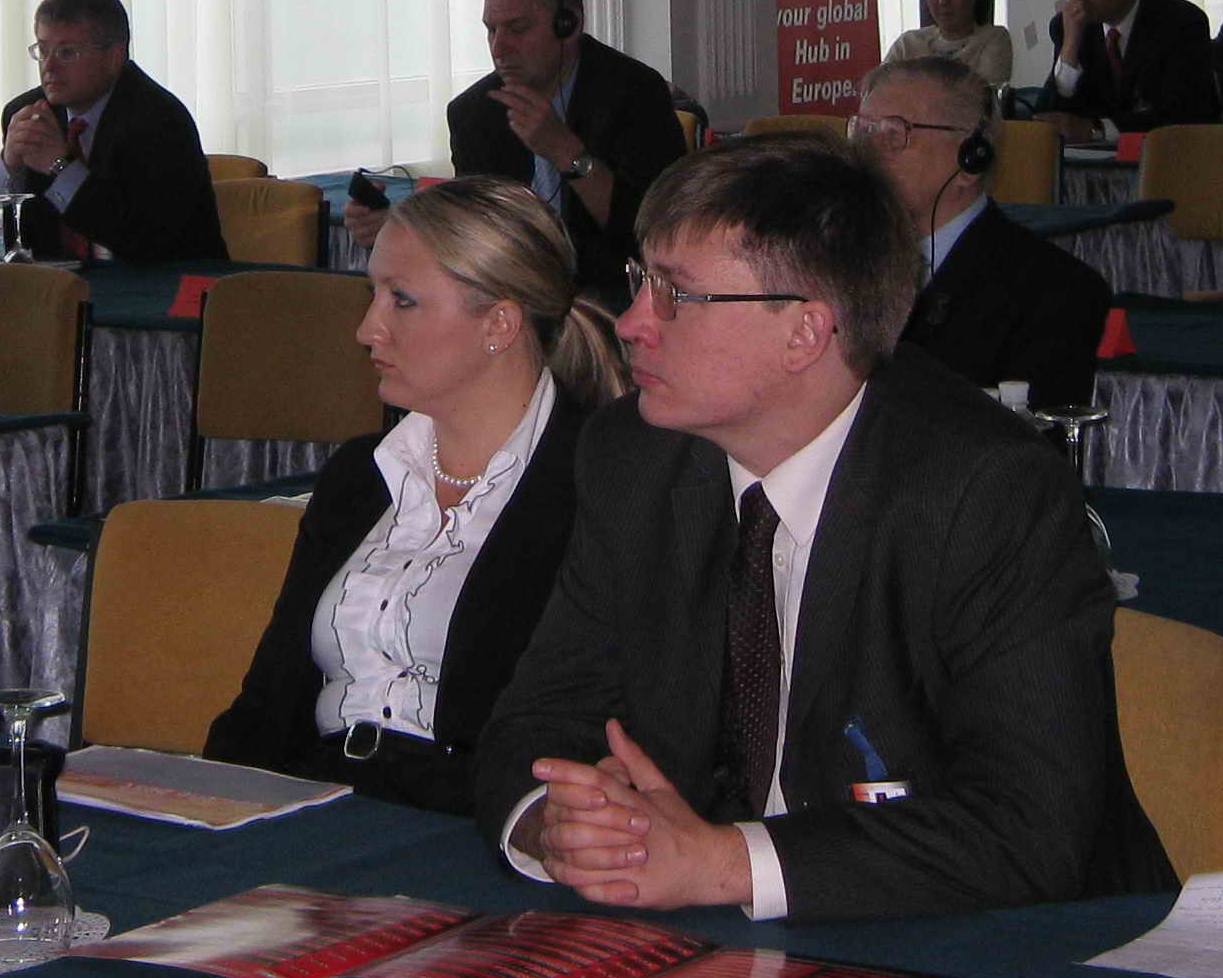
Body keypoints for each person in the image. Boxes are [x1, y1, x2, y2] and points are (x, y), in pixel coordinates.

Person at [471, 135, 1175, 923]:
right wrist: (556, 819)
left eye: (676, 295)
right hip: (720, 929)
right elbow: (535, 720)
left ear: (805, 333)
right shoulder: (634, 454)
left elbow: (1029, 829)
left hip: (1009, 941)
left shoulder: (986, 490)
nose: (632, 322)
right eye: (642, 281)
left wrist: (726, 863)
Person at [202, 181, 619, 812]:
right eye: (373, 295)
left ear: (499, 324)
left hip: (477, 818)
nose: (367, 330)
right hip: (321, 798)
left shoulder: (601, 486)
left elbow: (574, 730)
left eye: (402, 300)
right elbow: (269, 700)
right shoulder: (360, 475)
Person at [854, 56, 1115, 410]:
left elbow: (1027, 440)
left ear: (970, 160)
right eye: (862, 130)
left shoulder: (1055, 291)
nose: (866, 152)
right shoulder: (828, 263)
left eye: (893, 133)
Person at [430, 0, 689, 302]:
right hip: (516, 294)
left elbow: (654, 232)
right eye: (491, 30)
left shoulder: (636, 93)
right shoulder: (474, 112)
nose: (499, 47)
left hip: (614, 293)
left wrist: (567, 153)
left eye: (517, 29)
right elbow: (478, 231)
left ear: (568, 25)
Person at [0, 0, 226, 263]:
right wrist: (10, 167)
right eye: (43, 51)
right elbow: (8, 243)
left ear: (114, 57)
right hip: (59, 284)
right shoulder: (27, 114)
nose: (49, 67)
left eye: (67, 53)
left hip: (169, 281)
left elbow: (139, 238)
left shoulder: (159, 120)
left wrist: (59, 166)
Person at [1039, 0, 1220, 134]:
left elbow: (1185, 112)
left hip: (1167, 151)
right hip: (1090, 155)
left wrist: (1099, 131)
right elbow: (1047, 116)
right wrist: (1070, 47)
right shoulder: (1070, 26)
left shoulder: (1181, 22)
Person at [880, 0, 1017, 92]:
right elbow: (876, 90)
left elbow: (981, 97)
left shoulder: (993, 39)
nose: (942, 0)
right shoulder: (907, 44)